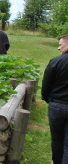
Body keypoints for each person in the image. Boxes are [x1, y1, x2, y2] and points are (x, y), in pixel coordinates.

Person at [41, 34, 68, 164]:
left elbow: (46, 85)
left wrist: (48, 100)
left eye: (60, 45)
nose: (58, 48)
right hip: (57, 104)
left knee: (57, 139)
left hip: (56, 106)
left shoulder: (55, 61)